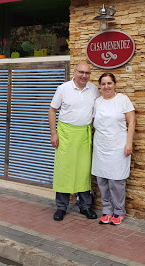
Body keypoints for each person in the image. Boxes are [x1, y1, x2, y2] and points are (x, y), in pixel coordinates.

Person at [48, 61, 100, 221]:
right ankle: (61, 208)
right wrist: (53, 133)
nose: (84, 76)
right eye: (81, 72)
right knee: (64, 171)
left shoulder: (94, 89)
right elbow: (52, 110)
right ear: (75, 72)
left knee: (83, 172)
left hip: (84, 134)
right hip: (65, 133)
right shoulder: (63, 88)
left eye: (87, 73)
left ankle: (85, 207)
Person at [91, 73, 135, 225]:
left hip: (118, 146)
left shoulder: (122, 100)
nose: (106, 86)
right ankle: (107, 210)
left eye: (109, 83)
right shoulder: (97, 102)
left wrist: (129, 143)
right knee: (102, 180)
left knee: (116, 181)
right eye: (103, 84)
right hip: (100, 146)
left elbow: (132, 122)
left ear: (115, 84)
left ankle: (119, 211)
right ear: (100, 86)